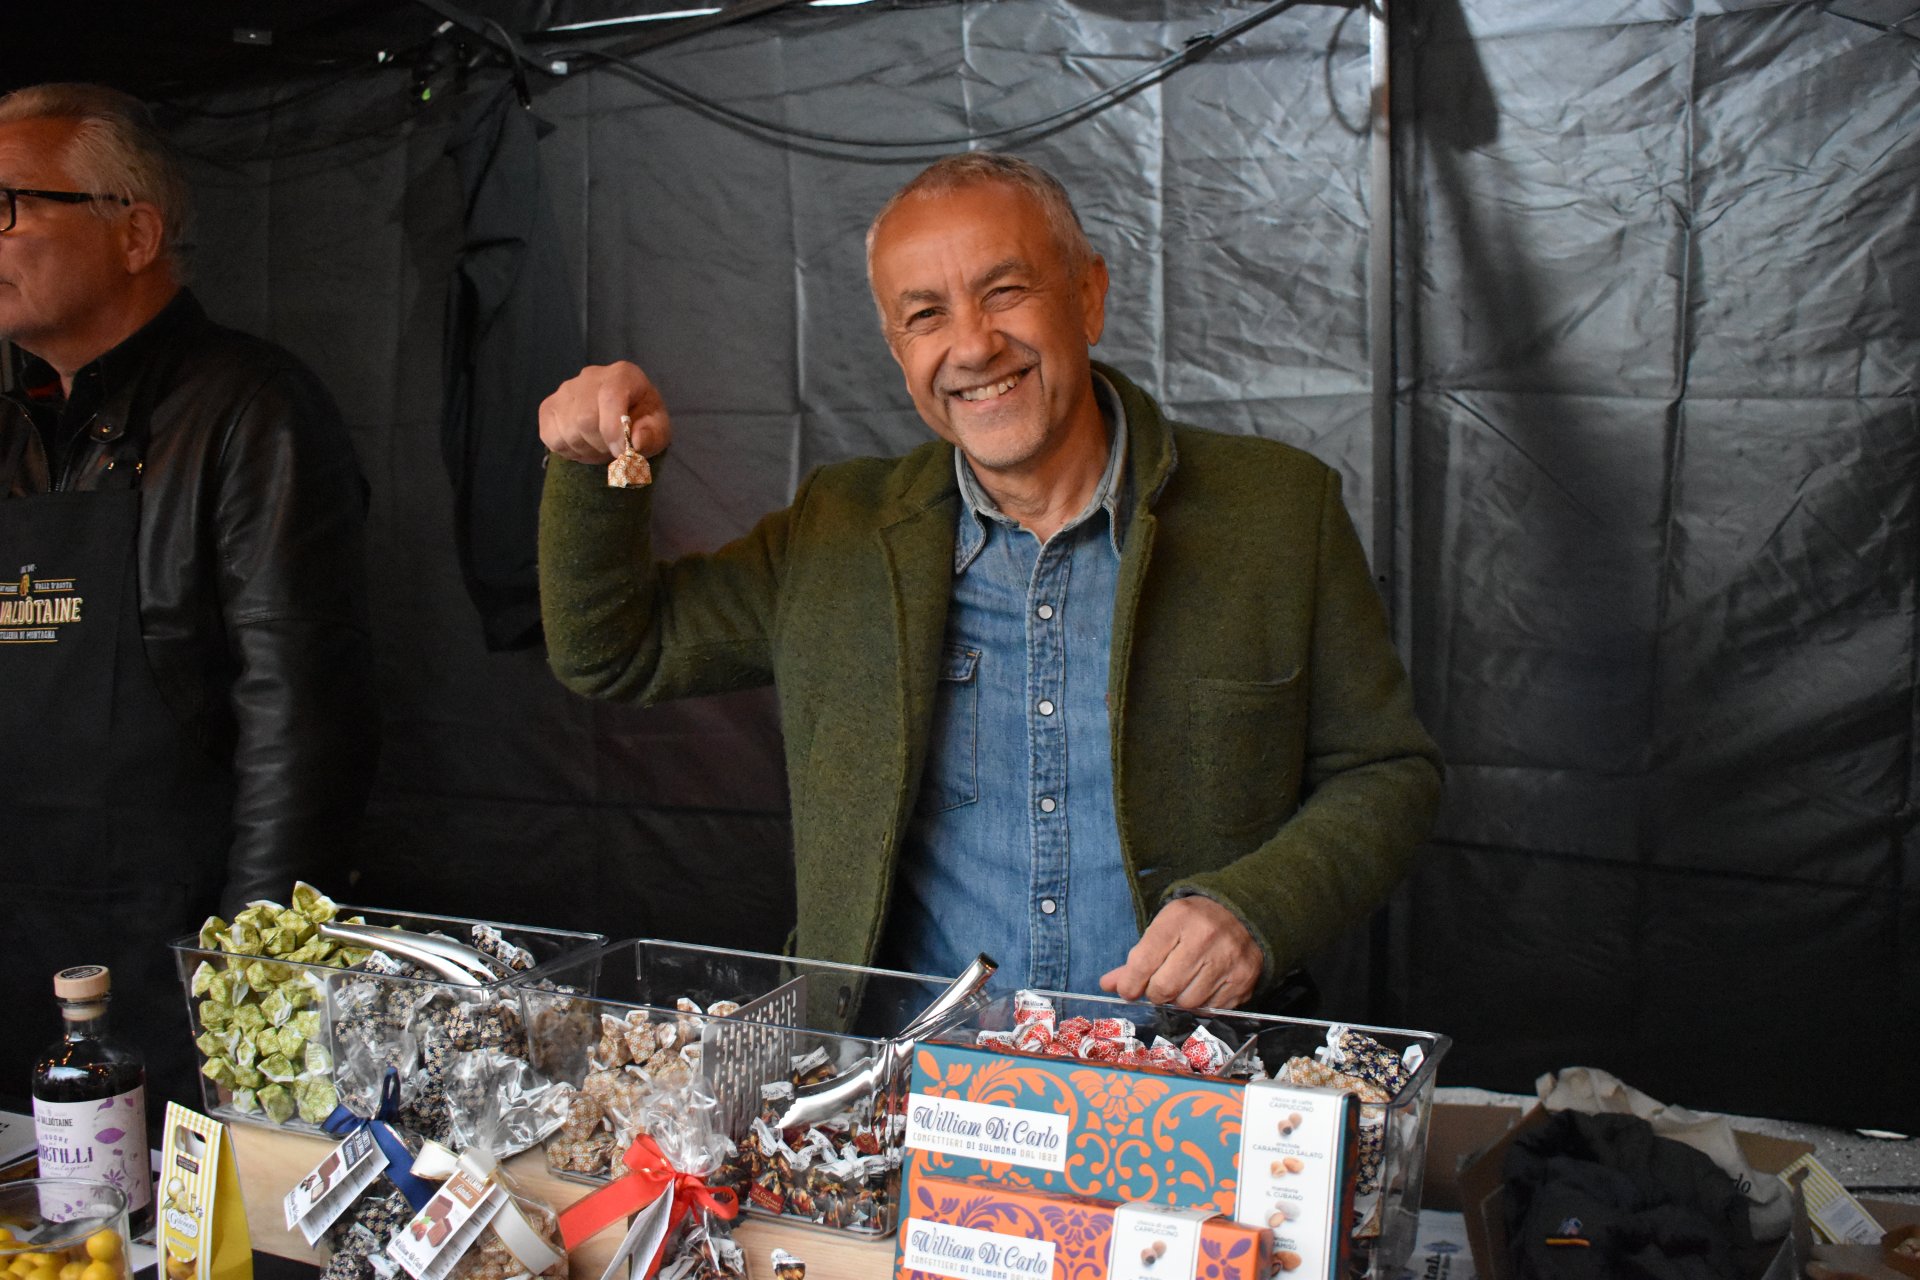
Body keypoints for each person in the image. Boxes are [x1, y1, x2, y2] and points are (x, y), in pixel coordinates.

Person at [538, 153, 1441, 1012]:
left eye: (1005, 292)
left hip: (1182, 1082)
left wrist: (1257, 910)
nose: (972, 345)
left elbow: (1384, 771)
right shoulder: (837, 534)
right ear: (897, 349)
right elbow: (613, 652)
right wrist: (593, 467)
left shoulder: (1276, 511)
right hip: (909, 1083)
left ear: (1088, 295)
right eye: (925, 315)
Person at [0, 84, 376, 1105]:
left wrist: (252, 984)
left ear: (135, 234)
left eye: (9, 207)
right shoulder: (15, 430)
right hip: (21, 955)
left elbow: (301, 724)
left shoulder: (251, 410)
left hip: (182, 974)